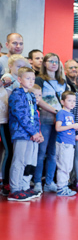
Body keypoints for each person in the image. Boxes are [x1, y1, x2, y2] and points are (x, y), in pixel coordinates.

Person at [34, 53, 69, 193]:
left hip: (59, 122)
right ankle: (37, 181)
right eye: (51, 61)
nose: (54, 64)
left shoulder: (62, 81)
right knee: (41, 152)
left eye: (56, 61)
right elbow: (38, 99)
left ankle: (49, 182)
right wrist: (56, 111)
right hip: (45, 118)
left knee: (53, 153)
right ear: (44, 63)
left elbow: (66, 100)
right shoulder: (39, 79)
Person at [7, 67, 41, 201]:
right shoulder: (17, 94)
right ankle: (14, 189)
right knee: (19, 161)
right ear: (20, 79)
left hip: (32, 134)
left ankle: (24, 186)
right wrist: (33, 131)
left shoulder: (31, 95)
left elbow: (35, 116)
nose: (31, 81)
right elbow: (21, 115)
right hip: (21, 134)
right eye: (28, 78)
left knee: (29, 161)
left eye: (33, 78)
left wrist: (37, 132)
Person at [55, 91, 78, 197]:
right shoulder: (61, 113)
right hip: (63, 143)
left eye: (74, 101)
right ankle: (61, 188)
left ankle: (64, 186)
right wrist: (73, 126)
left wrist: (75, 134)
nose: (72, 103)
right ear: (62, 101)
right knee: (63, 166)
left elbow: (68, 129)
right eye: (69, 100)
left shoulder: (70, 114)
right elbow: (58, 128)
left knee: (68, 166)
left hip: (70, 142)